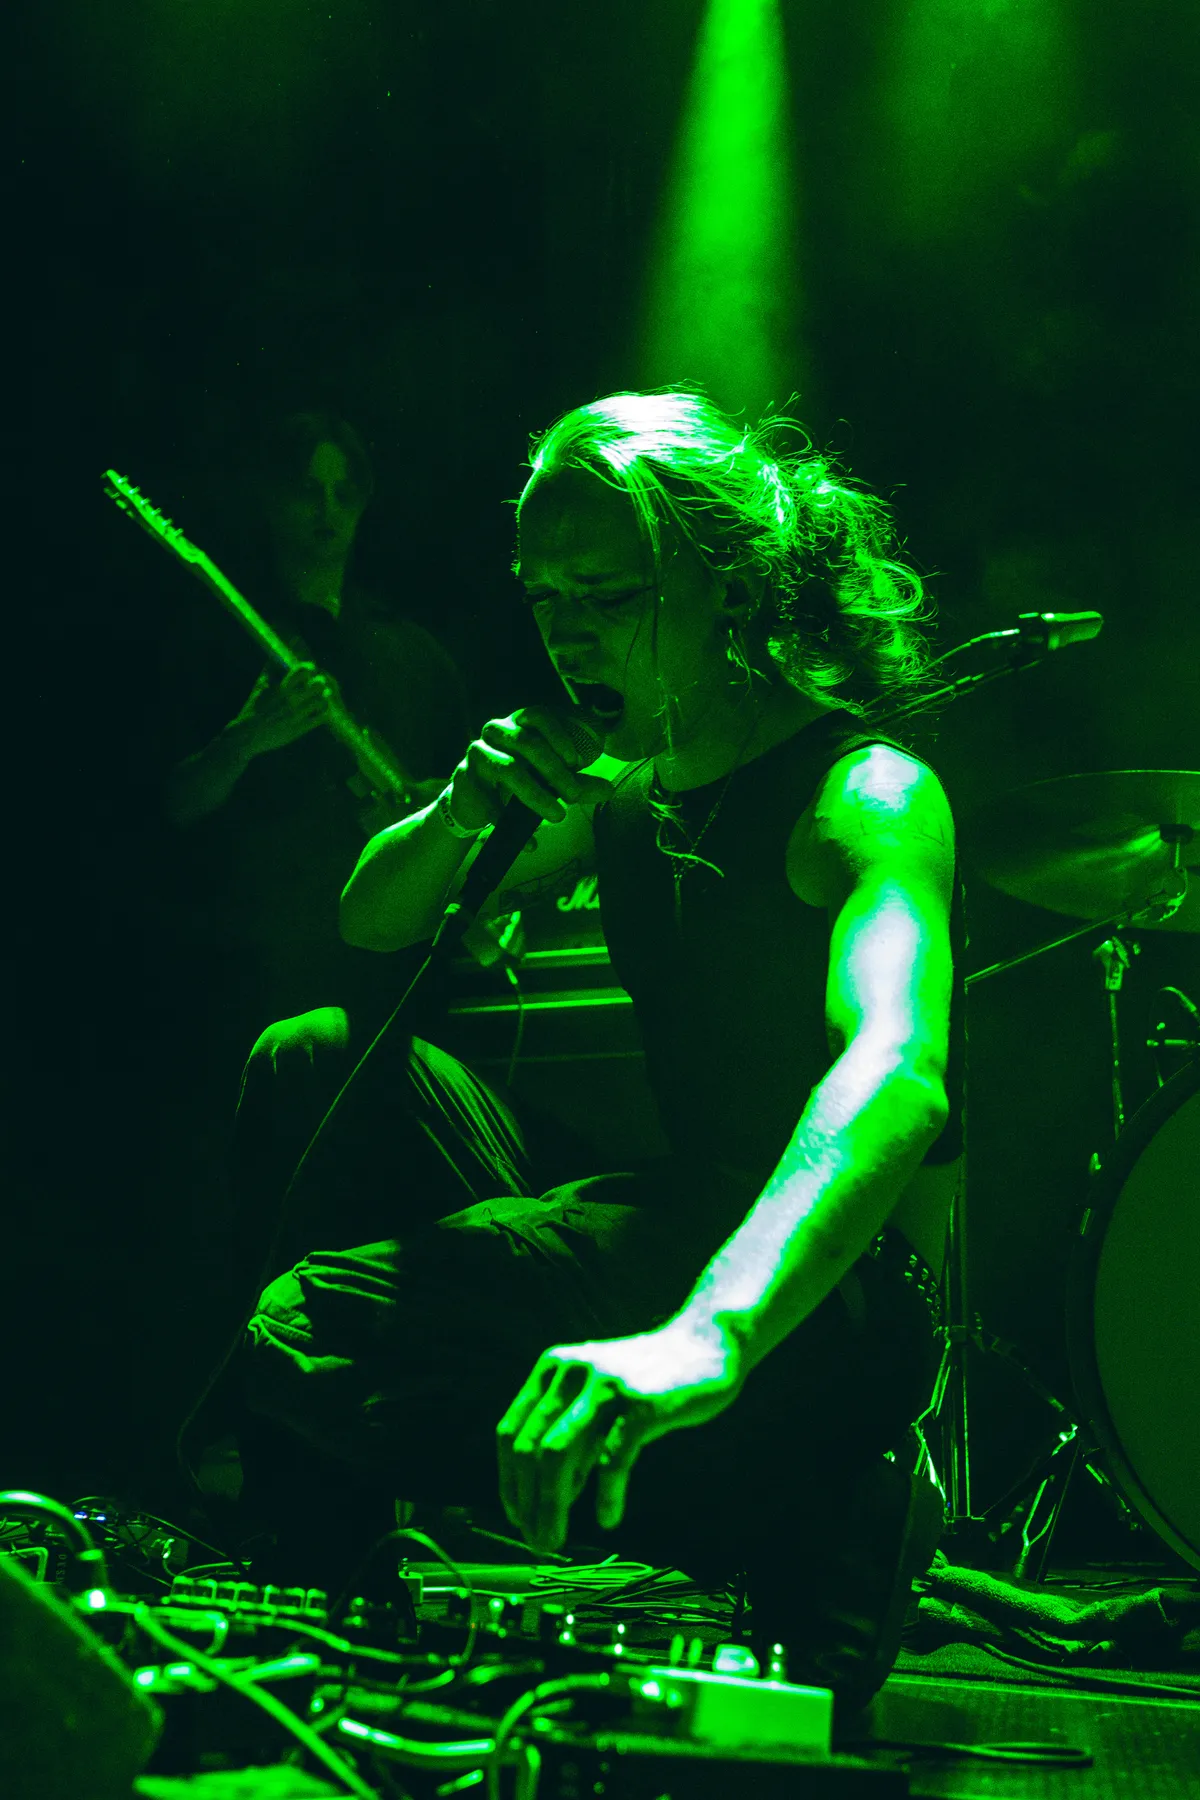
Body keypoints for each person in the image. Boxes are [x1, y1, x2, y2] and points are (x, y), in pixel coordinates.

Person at [220, 388, 964, 1713]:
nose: (566, 634)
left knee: (310, 1330)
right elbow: (370, 919)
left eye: (608, 595)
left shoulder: (863, 796)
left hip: (831, 1293)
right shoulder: (620, 788)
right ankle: (348, 1590)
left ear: (730, 581)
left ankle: (816, 1496)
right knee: (309, 1060)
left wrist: (710, 1337)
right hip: (678, 1211)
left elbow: (895, 1074)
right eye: (543, 597)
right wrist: (465, 806)